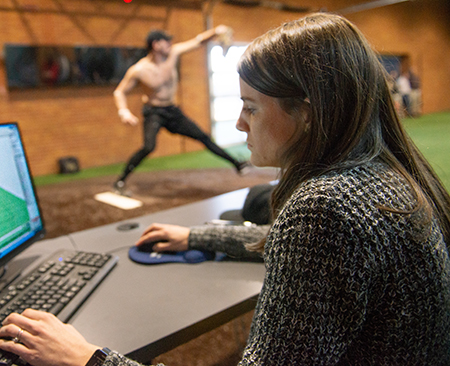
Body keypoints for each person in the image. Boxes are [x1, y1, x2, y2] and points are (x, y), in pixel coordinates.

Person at [1, 12, 450, 366]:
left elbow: (320, 241)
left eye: (251, 108)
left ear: (308, 113)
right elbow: (309, 251)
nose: (239, 122)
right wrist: (197, 236)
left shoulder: (325, 207)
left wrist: (87, 359)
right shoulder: (386, 175)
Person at [112, 26, 249, 195]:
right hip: (154, 112)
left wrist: (215, 32)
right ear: (155, 45)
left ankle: (237, 164)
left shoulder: (174, 53)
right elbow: (119, 91)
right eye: (166, 41)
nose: (170, 43)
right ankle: (120, 181)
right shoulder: (139, 70)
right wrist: (123, 111)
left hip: (173, 111)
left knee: (202, 136)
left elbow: (198, 41)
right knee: (148, 147)